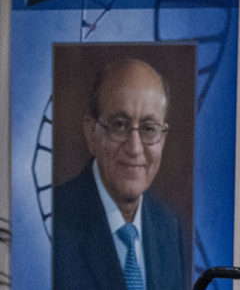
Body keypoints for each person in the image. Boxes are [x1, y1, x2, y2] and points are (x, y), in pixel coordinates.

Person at [53, 58, 190, 290]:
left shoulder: (169, 229)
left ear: (163, 138)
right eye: (119, 125)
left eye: (149, 129)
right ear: (91, 133)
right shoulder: (52, 221)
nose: (134, 148)